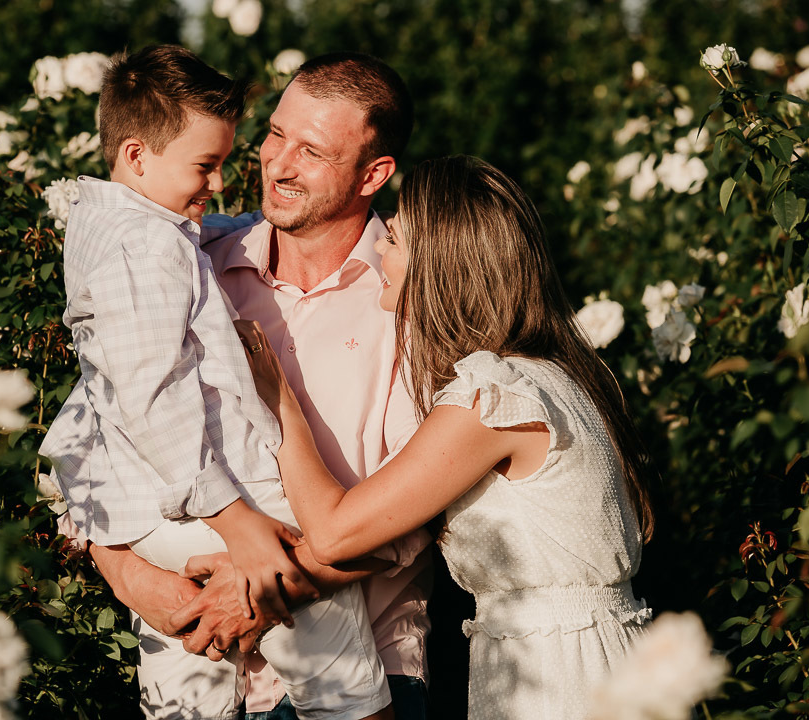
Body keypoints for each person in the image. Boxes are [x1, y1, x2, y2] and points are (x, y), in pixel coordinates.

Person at [46, 52, 432, 719]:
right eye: (275, 135)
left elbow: (415, 514)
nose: (276, 163)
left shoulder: (415, 302)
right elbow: (92, 434)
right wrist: (135, 578)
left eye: (310, 150)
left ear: (374, 174)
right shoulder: (191, 261)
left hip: (365, 670)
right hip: (199, 650)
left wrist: (253, 584)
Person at [236, 155, 656, 720]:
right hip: (582, 654)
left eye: (397, 240)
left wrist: (277, 395)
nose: (380, 249)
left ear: (441, 264)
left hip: (559, 675)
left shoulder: (493, 396)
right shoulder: (551, 372)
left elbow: (336, 534)